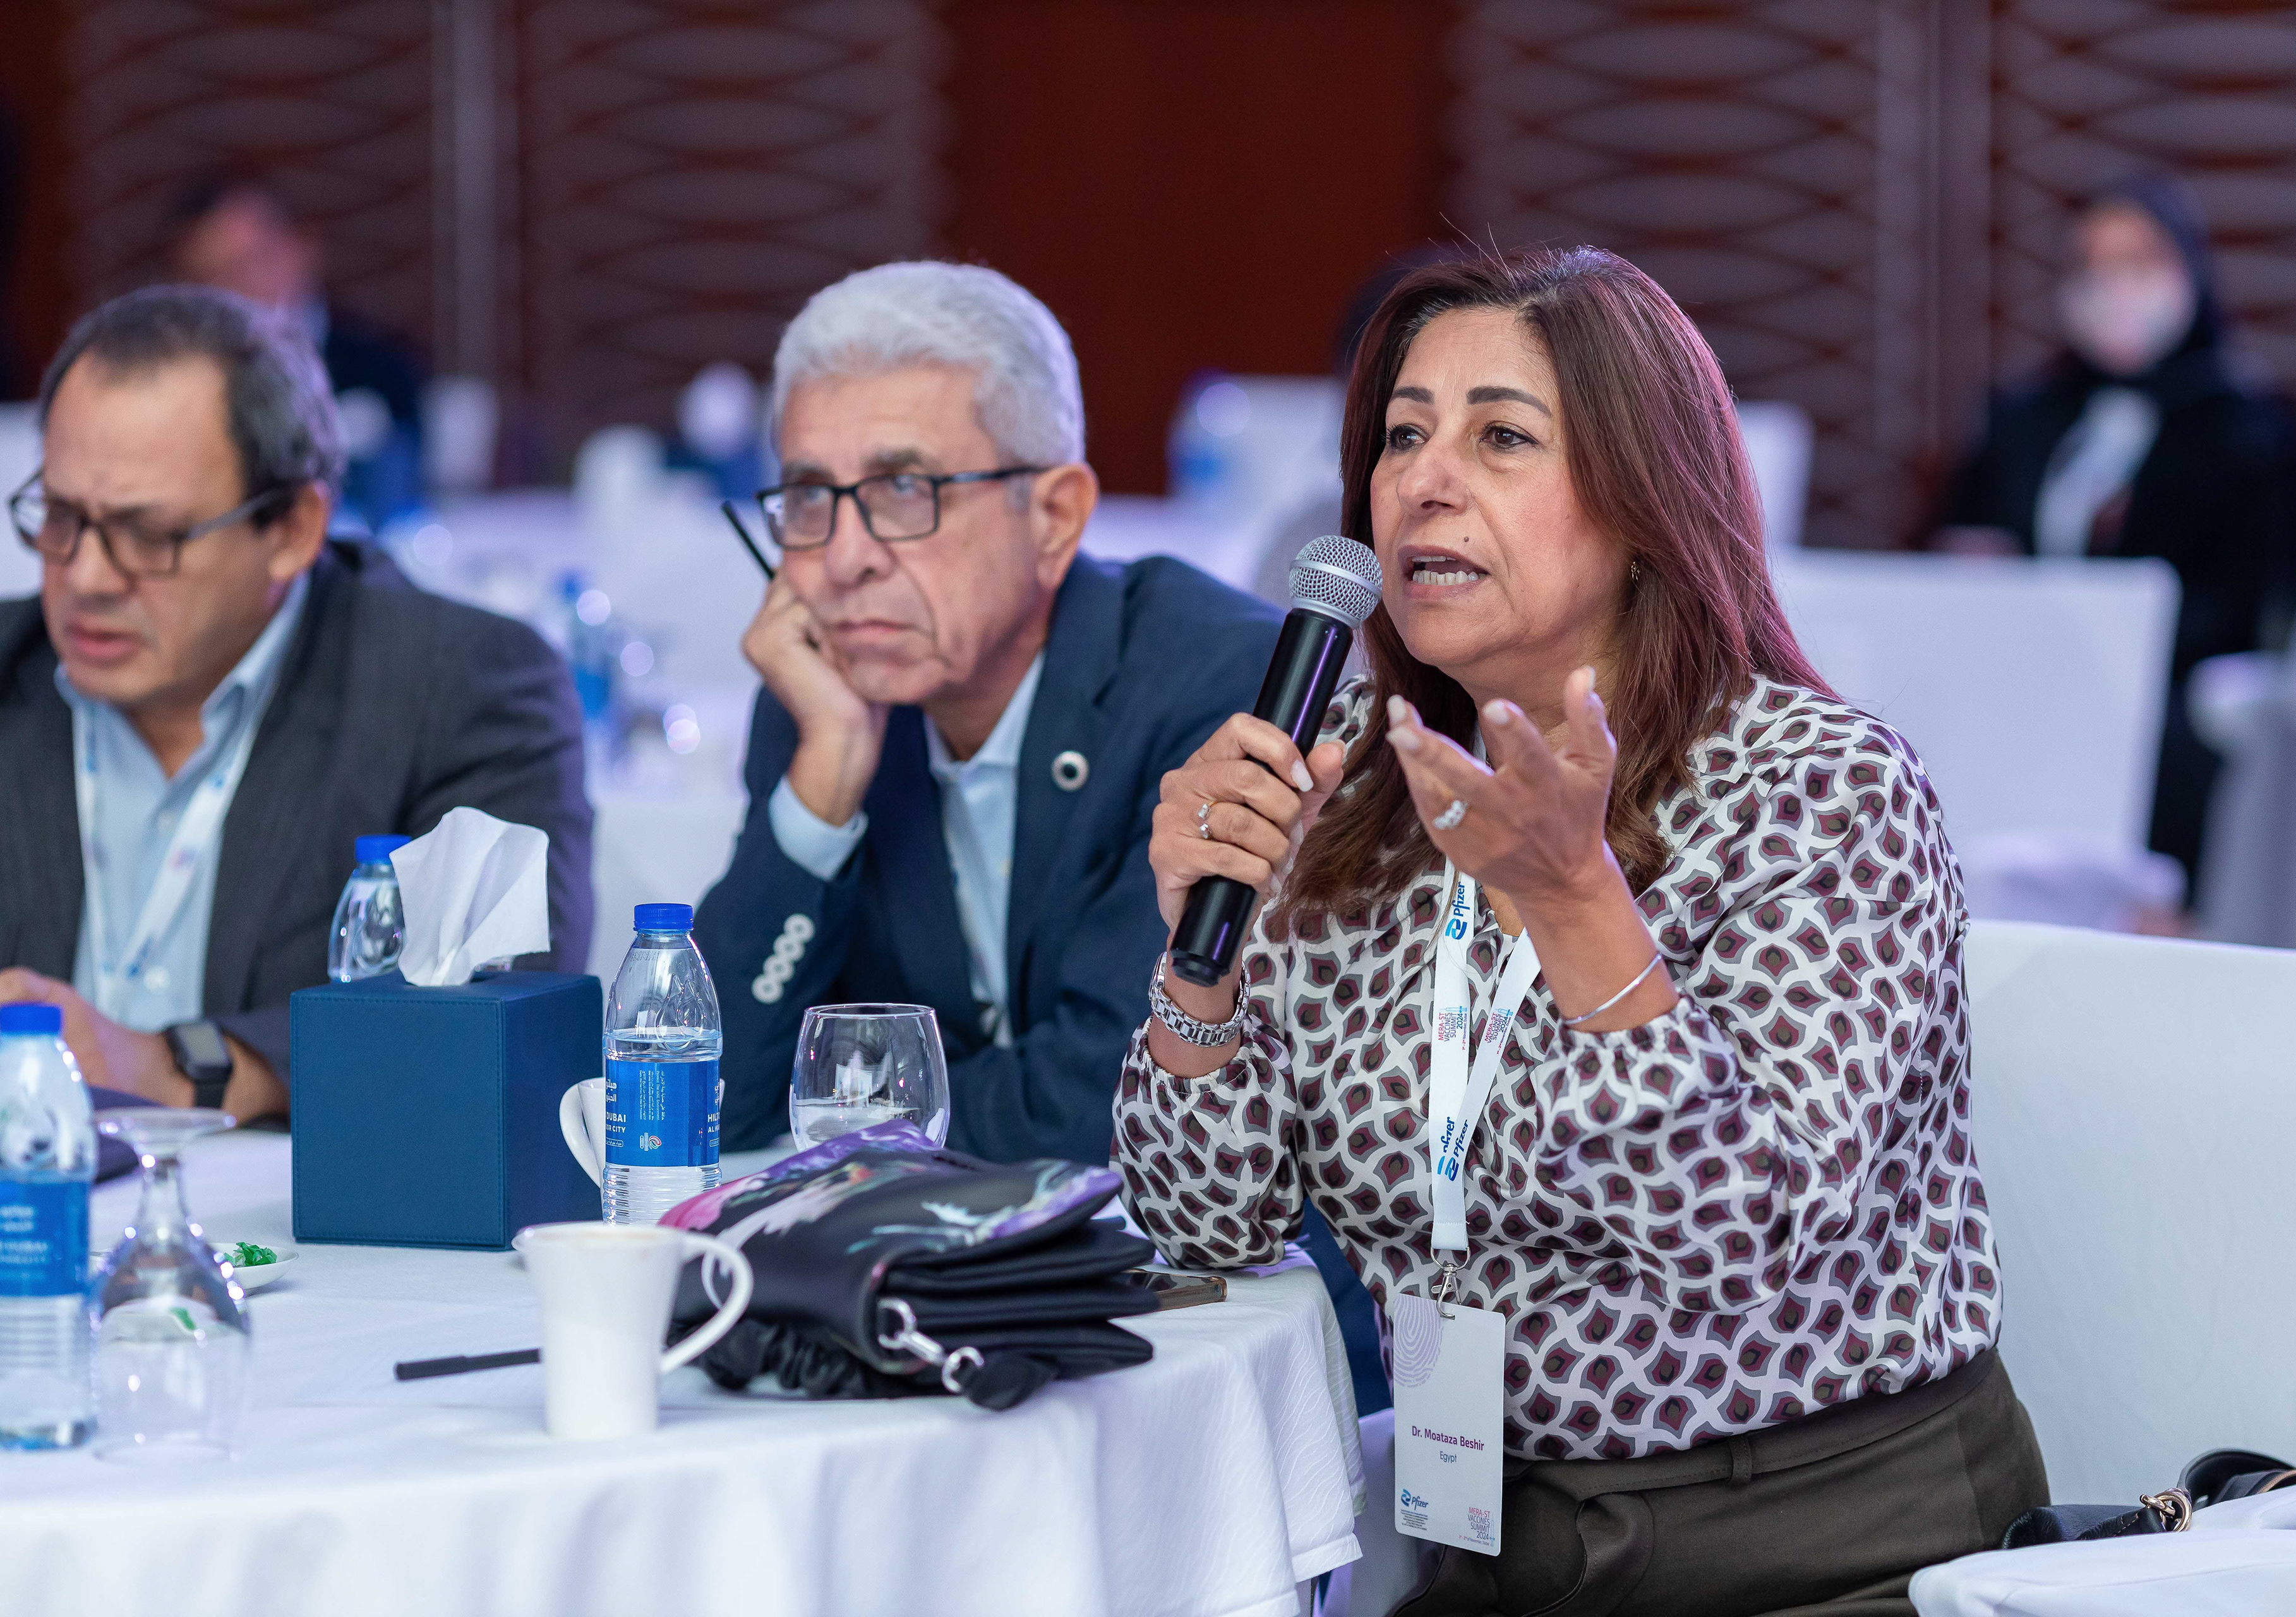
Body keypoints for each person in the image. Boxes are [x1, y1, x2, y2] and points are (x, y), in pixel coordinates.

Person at [1122, 248, 2047, 1615]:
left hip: (1824, 1547)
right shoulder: (1354, 784)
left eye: (1501, 437)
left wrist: (1573, 903)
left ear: (1645, 499)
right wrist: (1199, 963)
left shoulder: (1818, 789)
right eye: (1401, 437)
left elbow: (1741, 1233)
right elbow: (1206, 1221)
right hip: (1490, 1534)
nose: (1424, 482)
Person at [693, 261, 1282, 1167]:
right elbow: (710, 1102)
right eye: (810, 497)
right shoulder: (822, 697)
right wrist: (827, 778)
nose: (842, 561)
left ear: (1054, 517)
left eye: (903, 490)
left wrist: (831, 1117)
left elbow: (1112, 1103)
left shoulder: (1214, 680)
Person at [0, 285, 591, 1124]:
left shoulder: (460, 687)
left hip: (297, 1201)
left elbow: (501, 1006)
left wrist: (176, 1069)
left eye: (148, 534)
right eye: (61, 517)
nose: (87, 577)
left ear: (292, 530)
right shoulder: (13, 661)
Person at [1931, 172, 2296, 896]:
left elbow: (2264, 601)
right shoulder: (2024, 417)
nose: (2114, 286)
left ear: (2188, 269)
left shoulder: (2259, 435)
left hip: (2172, 705)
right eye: (2092, 264)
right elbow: (1961, 531)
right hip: (2024, 685)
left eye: (2139, 262)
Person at [167, 171, 426, 529]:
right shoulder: (181, 386)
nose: (244, 285)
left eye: (256, 259)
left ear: (303, 248)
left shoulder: (382, 365)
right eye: (216, 274)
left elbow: (413, 496)